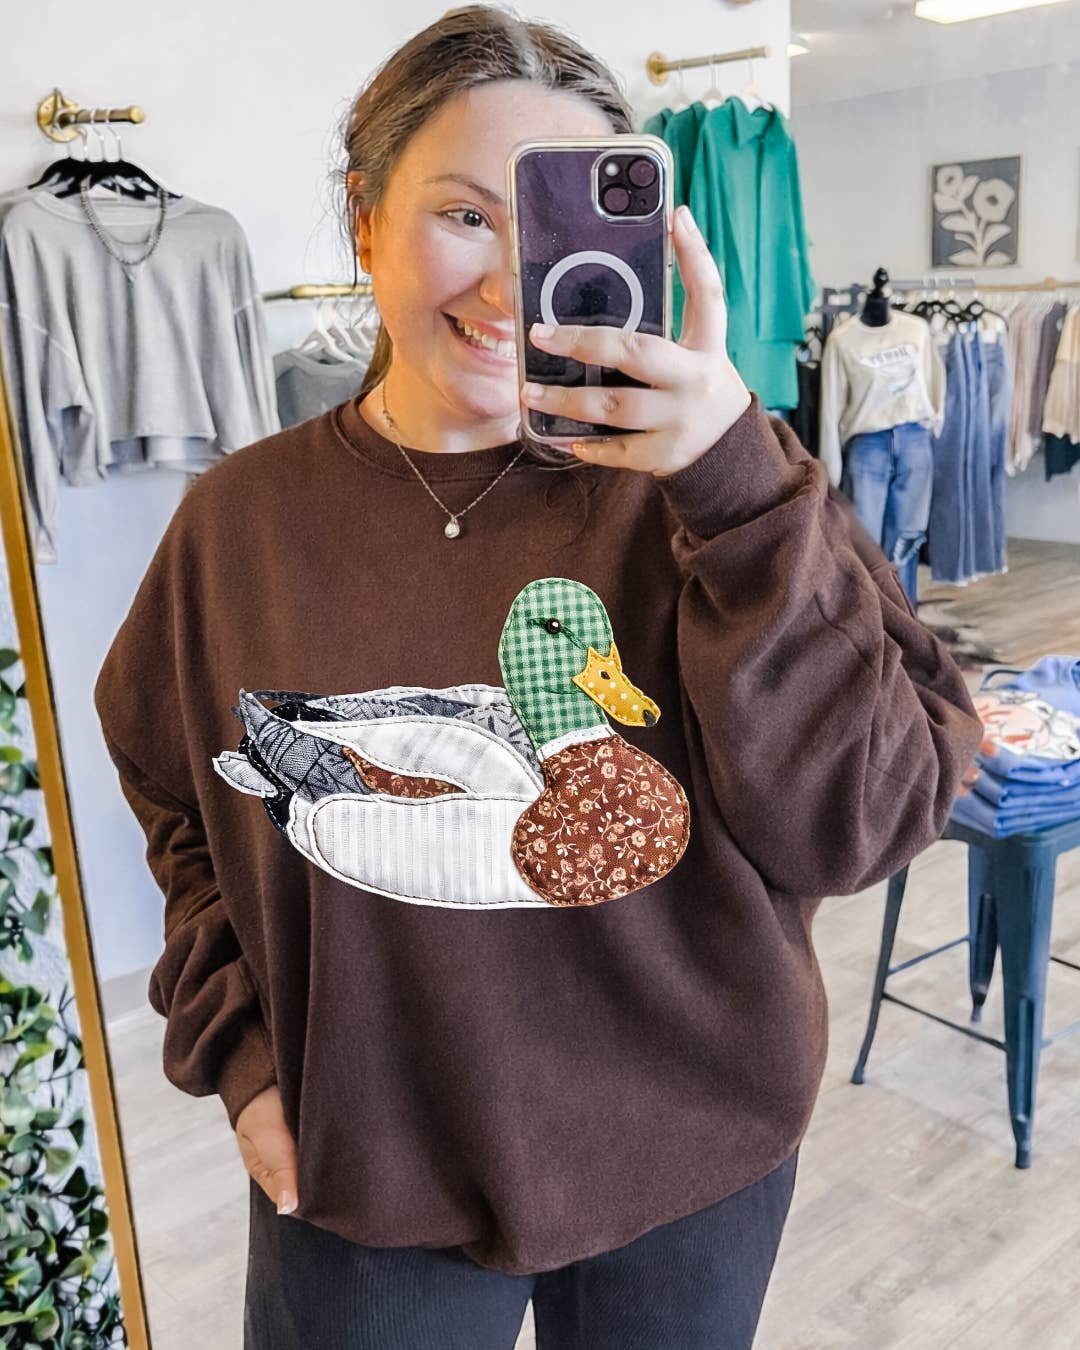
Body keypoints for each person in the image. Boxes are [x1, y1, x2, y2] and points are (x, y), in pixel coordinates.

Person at [93, 6, 984, 1348]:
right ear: (366, 219)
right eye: (466, 214)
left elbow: (864, 820)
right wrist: (242, 1054)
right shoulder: (240, 525)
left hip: (693, 1153)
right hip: (367, 1170)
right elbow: (176, 795)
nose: (514, 287)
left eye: (556, 231)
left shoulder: (729, 490)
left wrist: (735, 477)